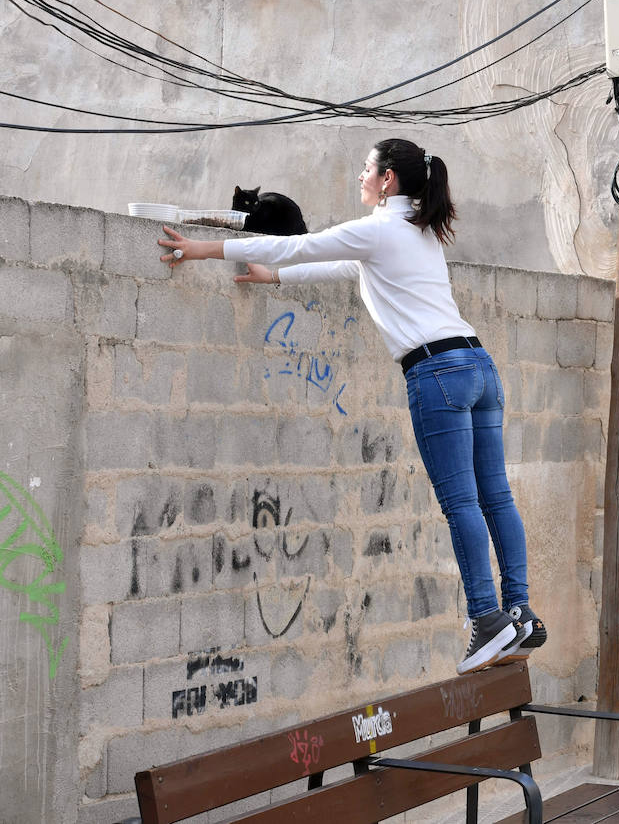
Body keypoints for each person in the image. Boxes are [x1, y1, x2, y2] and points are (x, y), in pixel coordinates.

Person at [158, 138, 547, 675]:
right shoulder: (419, 232)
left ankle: (486, 619)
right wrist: (276, 278)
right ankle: (520, 612)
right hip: (479, 367)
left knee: (462, 504)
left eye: (367, 168)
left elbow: (300, 246)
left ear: (388, 180)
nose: (360, 175)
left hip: (437, 375)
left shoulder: (381, 229)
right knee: (495, 496)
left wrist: (204, 249)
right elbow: (346, 267)